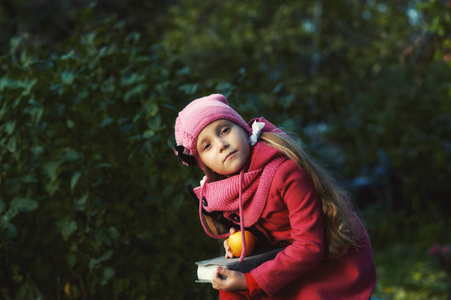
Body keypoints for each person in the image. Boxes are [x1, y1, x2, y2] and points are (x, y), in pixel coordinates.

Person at [174, 94, 377, 299]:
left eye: (225, 130)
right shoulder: (226, 191)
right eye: (207, 146)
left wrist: (251, 281)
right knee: (229, 292)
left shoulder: (283, 172)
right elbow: (269, 234)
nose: (221, 144)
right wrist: (244, 243)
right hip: (281, 263)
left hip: (326, 265)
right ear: (203, 163)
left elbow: (309, 246)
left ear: (243, 129)